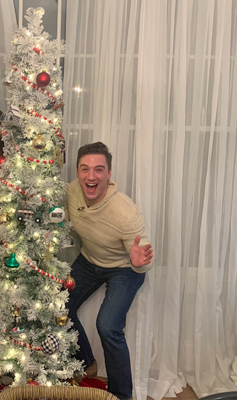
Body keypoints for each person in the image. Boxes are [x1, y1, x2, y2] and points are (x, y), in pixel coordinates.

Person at [65, 142, 154, 400]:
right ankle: (86, 363)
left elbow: (144, 257)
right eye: (85, 169)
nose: (91, 176)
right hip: (89, 260)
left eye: (99, 169)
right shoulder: (72, 191)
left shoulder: (126, 213)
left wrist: (139, 263)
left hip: (124, 268)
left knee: (107, 326)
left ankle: (122, 395)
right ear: (78, 172)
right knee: (58, 304)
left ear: (109, 173)